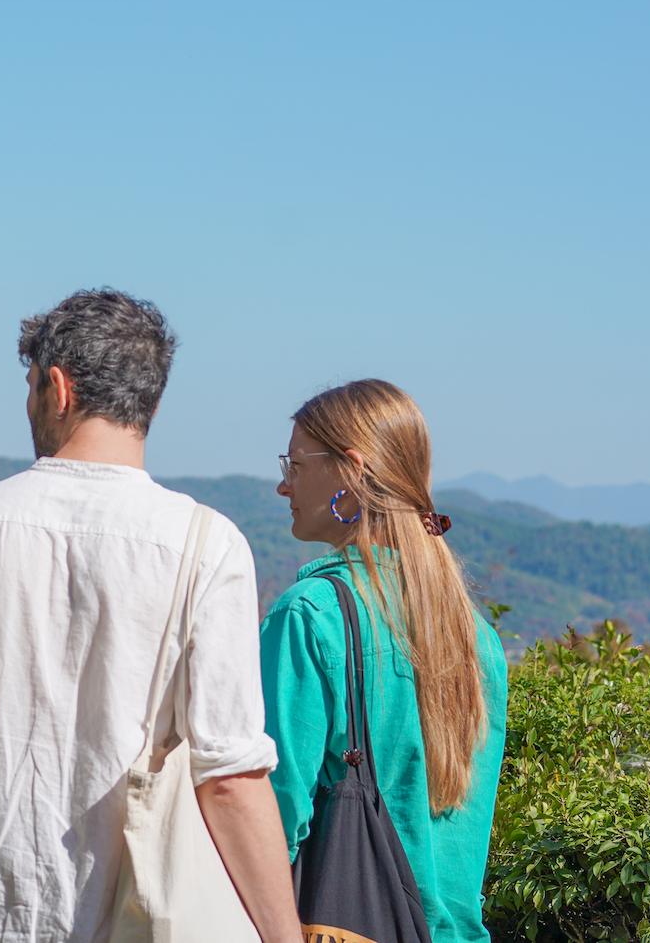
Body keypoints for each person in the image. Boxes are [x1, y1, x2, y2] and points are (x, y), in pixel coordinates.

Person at [0, 289, 299, 943]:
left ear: (57, 387)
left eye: (29, 384)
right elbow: (230, 779)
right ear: (153, 404)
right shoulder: (204, 542)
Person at [261, 380, 508, 943]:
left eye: (295, 464)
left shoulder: (311, 616)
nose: (282, 484)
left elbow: (272, 819)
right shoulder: (476, 637)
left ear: (350, 469)